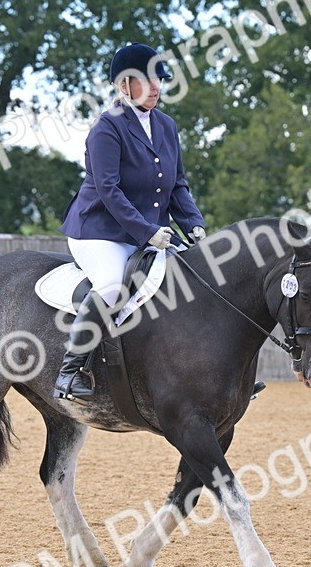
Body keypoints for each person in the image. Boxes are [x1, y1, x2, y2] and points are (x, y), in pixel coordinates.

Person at [53, 43, 207, 404]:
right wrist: (148, 232)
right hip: (100, 232)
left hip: (151, 233)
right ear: (124, 86)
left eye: (160, 80)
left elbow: (177, 184)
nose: (157, 87)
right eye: (148, 80)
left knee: (200, 277)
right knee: (110, 286)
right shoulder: (107, 128)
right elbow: (108, 189)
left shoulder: (166, 126)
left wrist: (194, 225)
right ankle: (70, 371)